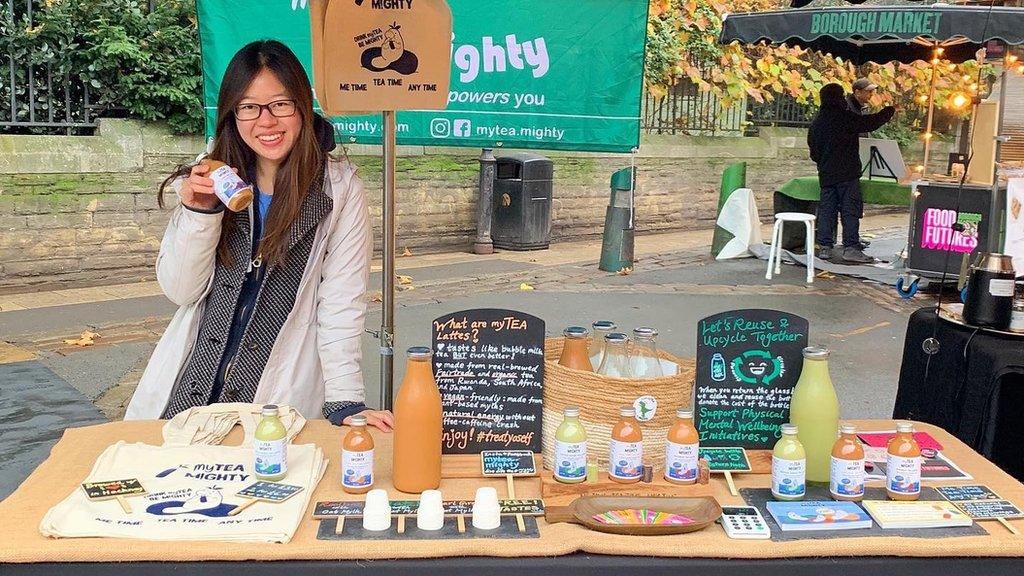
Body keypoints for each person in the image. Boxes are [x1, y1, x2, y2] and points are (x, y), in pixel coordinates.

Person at [125, 40, 394, 431]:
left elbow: (341, 303)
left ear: (302, 106)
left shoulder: (338, 188)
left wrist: (345, 400)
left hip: (273, 403)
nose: (266, 121)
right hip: (186, 394)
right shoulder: (212, 176)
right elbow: (181, 291)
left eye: (280, 104)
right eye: (249, 107)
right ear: (233, 113)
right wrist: (201, 213)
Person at [808, 83, 895, 263]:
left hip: (826, 174)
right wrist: (889, 111)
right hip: (847, 173)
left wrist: (825, 163)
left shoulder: (816, 123)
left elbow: (813, 152)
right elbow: (870, 123)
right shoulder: (845, 118)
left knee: (826, 210)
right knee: (850, 211)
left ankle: (824, 246)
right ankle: (851, 247)